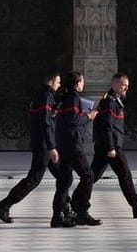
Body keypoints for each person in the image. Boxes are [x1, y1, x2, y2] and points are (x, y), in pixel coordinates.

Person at [0, 69, 62, 223]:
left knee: (63, 176)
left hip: (43, 144)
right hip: (44, 146)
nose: (59, 84)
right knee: (34, 179)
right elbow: (46, 124)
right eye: (58, 82)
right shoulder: (45, 98)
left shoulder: (45, 96)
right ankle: (4, 205)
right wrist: (51, 147)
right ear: (50, 82)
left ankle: (66, 207)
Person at [92, 72, 137, 219]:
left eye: (127, 86)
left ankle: (76, 201)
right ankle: (136, 206)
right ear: (114, 84)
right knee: (125, 175)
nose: (125, 89)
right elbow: (107, 127)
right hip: (111, 146)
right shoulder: (109, 101)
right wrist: (110, 148)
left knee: (91, 176)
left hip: (108, 146)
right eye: (123, 85)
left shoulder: (114, 100)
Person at [49, 71, 100, 227]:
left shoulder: (66, 98)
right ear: (77, 83)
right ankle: (81, 211)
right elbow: (72, 119)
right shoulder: (73, 98)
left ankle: (58, 215)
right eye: (82, 81)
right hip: (72, 145)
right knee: (88, 176)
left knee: (65, 180)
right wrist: (89, 116)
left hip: (64, 143)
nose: (83, 84)